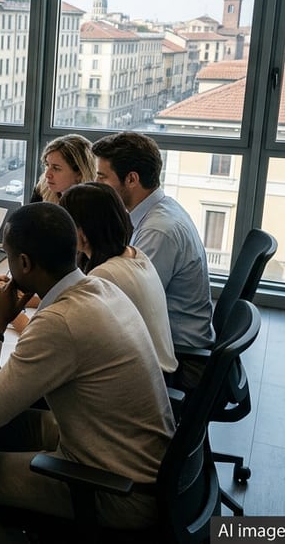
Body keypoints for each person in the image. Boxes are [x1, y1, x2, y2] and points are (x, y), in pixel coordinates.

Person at [0, 203, 174, 540]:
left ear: (24, 263)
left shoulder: (59, 322)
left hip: (120, 491)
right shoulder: (102, 287)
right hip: (135, 456)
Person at [92, 131, 214, 383]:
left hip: (179, 358)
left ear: (132, 179)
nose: (95, 183)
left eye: (102, 176)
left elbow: (125, 305)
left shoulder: (157, 231)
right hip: (172, 340)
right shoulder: (160, 209)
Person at [59, 182, 178, 374]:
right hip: (155, 371)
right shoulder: (134, 254)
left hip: (141, 377)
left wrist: (16, 317)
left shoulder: (104, 275)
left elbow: (66, 337)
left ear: (82, 232)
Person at [29, 133, 95, 204]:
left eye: (56, 168)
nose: (47, 175)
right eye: (47, 165)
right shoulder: (43, 187)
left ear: (80, 173)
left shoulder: (94, 201)